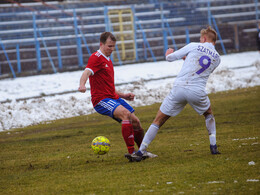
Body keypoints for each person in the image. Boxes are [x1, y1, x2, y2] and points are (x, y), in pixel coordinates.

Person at [131, 26, 221, 162]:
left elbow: (170, 58)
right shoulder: (218, 58)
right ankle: (213, 146)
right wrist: (188, 59)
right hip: (197, 90)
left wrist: (169, 53)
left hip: (179, 88)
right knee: (208, 114)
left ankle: (141, 150)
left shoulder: (193, 45)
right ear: (214, 41)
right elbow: (200, 69)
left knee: (159, 119)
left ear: (203, 38)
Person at [78, 32, 157, 161]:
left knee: (136, 122)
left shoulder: (108, 59)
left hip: (113, 97)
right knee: (126, 114)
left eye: (113, 46)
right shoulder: (96, 57)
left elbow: (108, 86)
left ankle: (142, 151)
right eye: (109, 46)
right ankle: (132, 153)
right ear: (101, 44)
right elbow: (86, 72)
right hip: (101, 100)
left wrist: (124, 95)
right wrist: (82, 85)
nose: (112, 49)